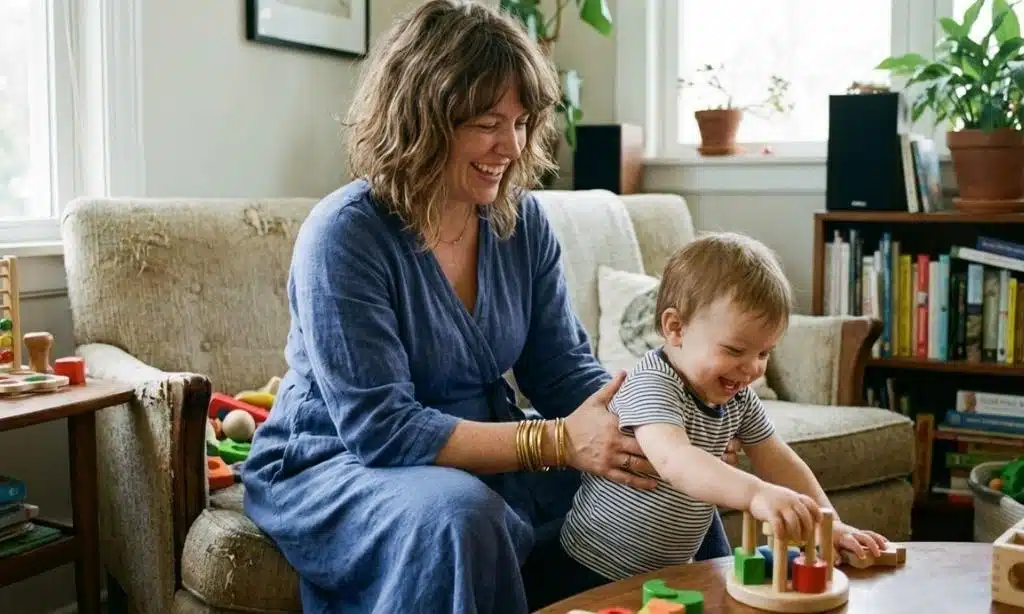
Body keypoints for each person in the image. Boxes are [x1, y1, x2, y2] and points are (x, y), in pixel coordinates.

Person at [240, 1, 739, 613]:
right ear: (422, 117)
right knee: (461, 514)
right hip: (338, 461)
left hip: (480, 443)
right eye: (486, 122)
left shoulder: (520, 220)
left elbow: (560, 369)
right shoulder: (343, 237)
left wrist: (662, 426)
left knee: (665, 480)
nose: (512, 145)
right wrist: (558, 442)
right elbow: (382, 429)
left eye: (523, 122)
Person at [559, 232, 893, 584]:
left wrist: (828, 524)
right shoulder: (651, 384)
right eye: (734, 351)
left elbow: (777, 459)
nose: (752, 369)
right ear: (675, 328)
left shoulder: (739, 396)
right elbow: (676, 461)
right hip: (593, 567)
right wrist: (755, 493)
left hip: (668, 572)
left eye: (764, 353)